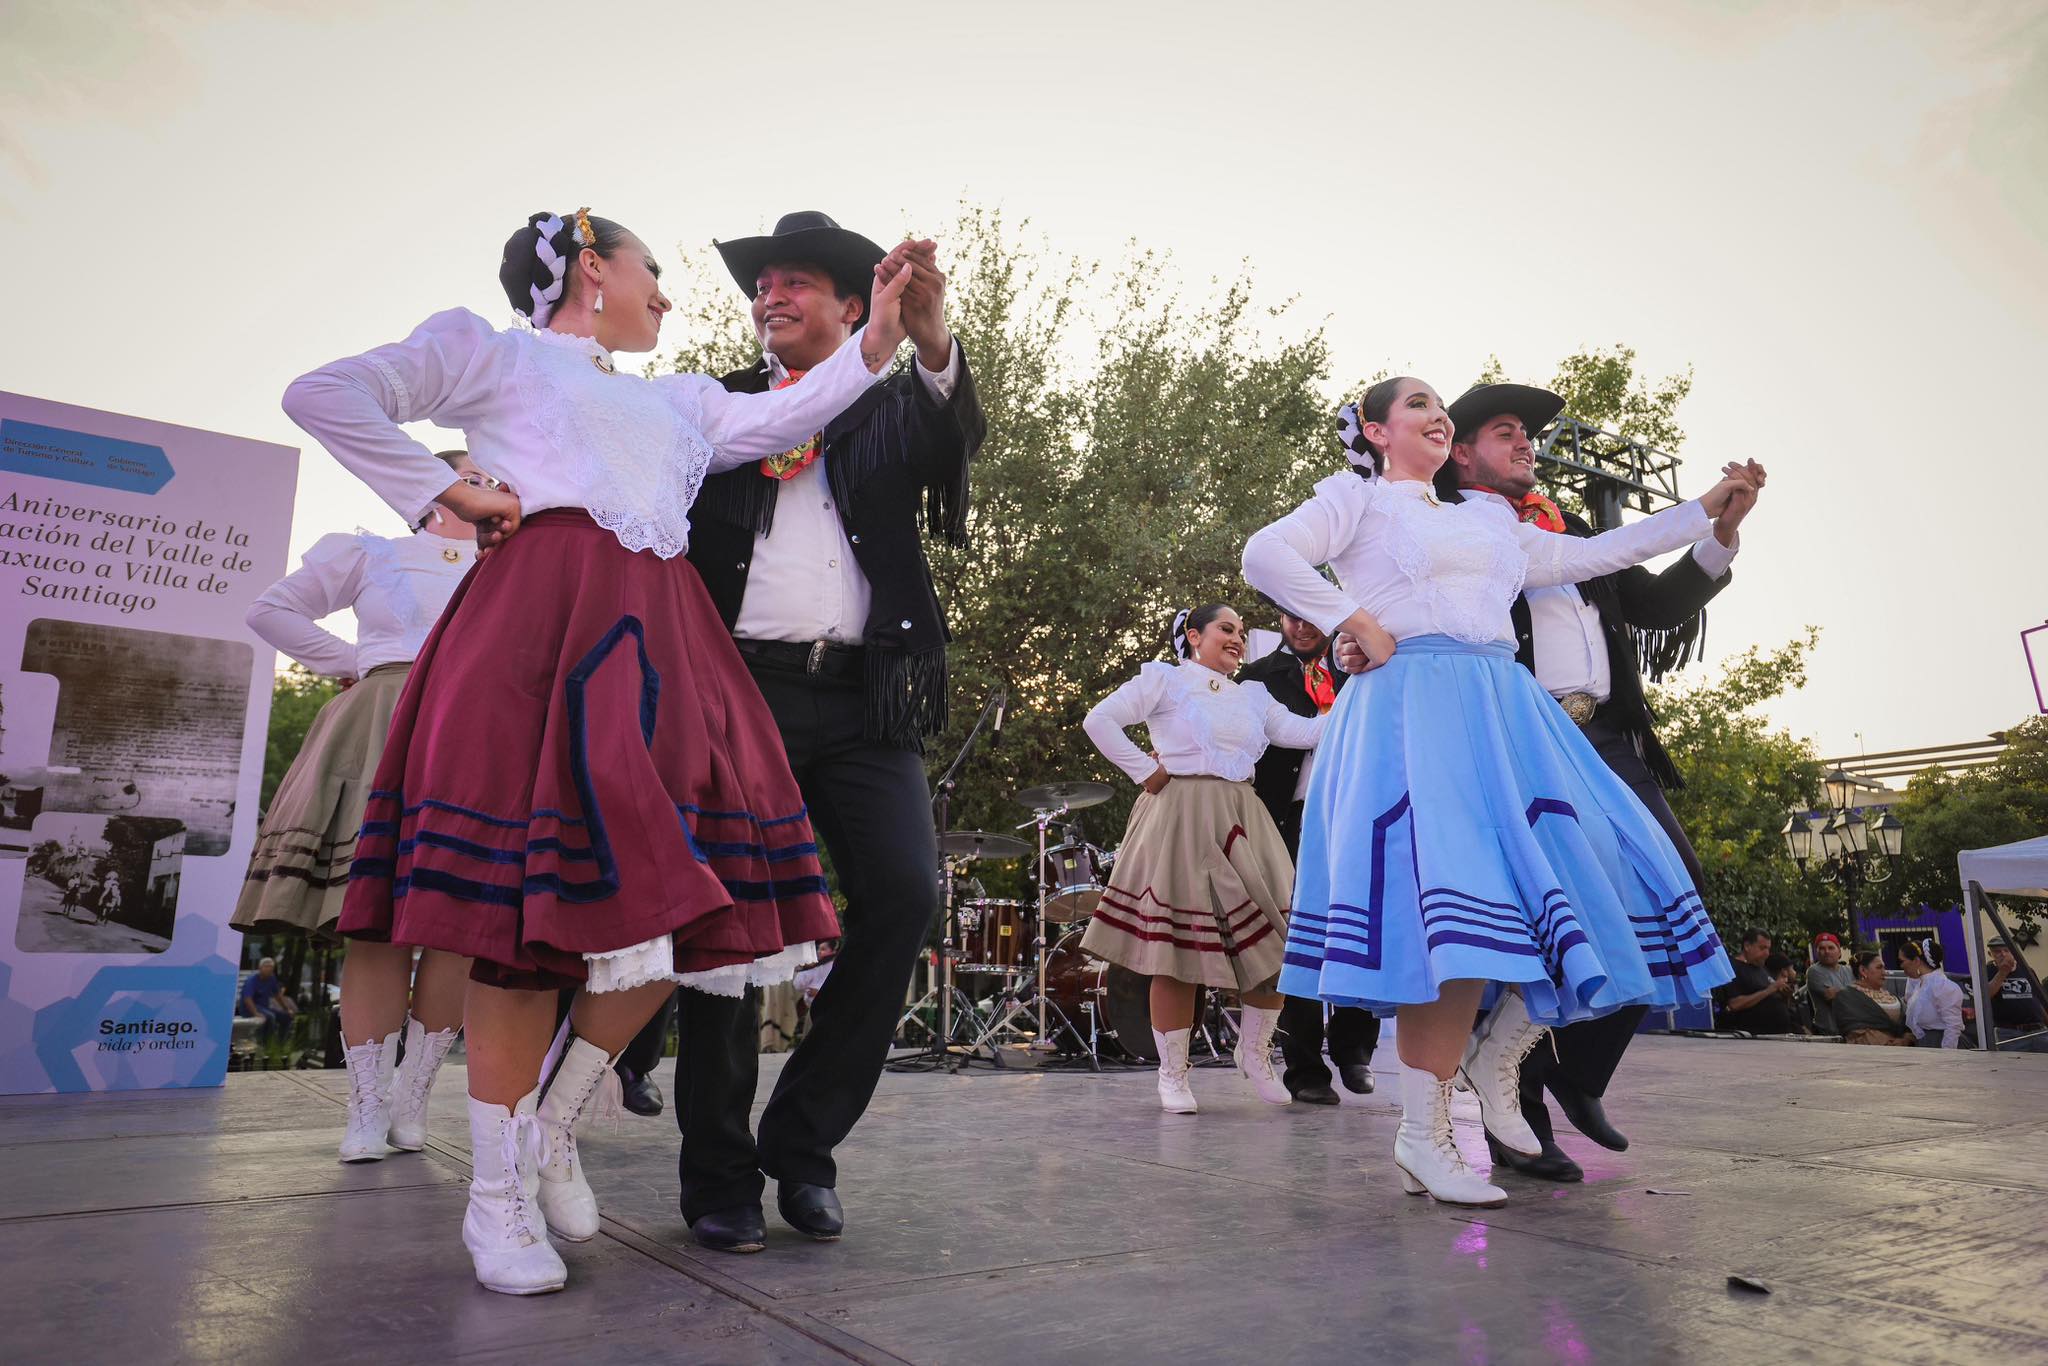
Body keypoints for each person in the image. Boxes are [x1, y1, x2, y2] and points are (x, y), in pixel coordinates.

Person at [285, 207, 913, 1295]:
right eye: (650, 270)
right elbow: (324, 393)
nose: (666, 295)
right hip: (541, 629)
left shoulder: (677, 402)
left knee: (686, 914)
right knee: (523, 926)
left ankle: (552, 1128)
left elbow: (795, 409)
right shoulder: (497, 354)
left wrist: (882, 335)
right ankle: (494, 1201)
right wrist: (447, 490)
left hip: (666, 646)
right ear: (589, 267)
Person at [1242, 376, 1755, 1207]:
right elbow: (1266, 553)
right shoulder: (1358, 501)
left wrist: (1705, 509)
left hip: (1503, 712)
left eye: (1440, 406)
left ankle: (1499, 1052)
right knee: (1451, 926)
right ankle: (1423, 1134)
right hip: (1414, 714)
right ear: (1374, 431)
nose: (1437, 416)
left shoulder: (1488, 519)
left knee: (1606, 873)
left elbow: (1595, 556)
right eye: (1417, 405)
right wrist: (1349, 619)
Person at [673, 212, 982, 1255]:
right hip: (735, 692)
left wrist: (930, 338)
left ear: (857, 307)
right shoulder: (710, 408)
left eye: (796, 282)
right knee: (724, 933)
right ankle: (716, 1173)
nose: (770, 296)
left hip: (865, 699)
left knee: (903, 896)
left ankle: (800, 1147)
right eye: (762, 285)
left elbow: (953, 437)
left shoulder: (888, 408)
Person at [1421, 381, 1744, 1181]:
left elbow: (1659, 603)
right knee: (1544, 925)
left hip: (1608, 739)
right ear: (1460, 452)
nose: (1528, 443)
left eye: (1528, 434)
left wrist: (1721, 534)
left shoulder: (1569, 532)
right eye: (1507, 432)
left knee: (1670, 900)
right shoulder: (1456, 533)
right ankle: (1514, 1107)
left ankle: (1575, 1073)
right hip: (1521, 743)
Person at [233, 461, 480, 1163]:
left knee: (457, 925)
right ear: (429, 488)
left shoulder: (518, 561)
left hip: (478, 729)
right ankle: (365, 1107)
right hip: (382, 720)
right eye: (467, 469)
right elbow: (270, 608)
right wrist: (355, 660)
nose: (486, 477)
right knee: (372, 924)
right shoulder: (372, 551)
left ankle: (413, 1098)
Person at [1081, 604, 1326, 1113]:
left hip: (1243, 815)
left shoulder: (1254, 696)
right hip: (1180, 812)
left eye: (1240, 632)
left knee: (1281, 942)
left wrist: (1361, 690)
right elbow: (1098, 719)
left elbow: (1308, 733)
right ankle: (1172, 1074)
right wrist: (1141, 772)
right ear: (1194, 636)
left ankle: (1254, 1053)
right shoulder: (1166, 681)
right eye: (1225, 629)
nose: (1236, 638)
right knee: (1176, 954)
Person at [1238, 604, 1380, 1104]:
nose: (1300, 626)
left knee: (1359, 925)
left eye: (1309, 615)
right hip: (1290, 821)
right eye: (1288, 616)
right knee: (1296, 937)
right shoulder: (1257, 678)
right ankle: (1304, 1068)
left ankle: (1356, 1049)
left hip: (1359, 811)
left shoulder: (1363, 662)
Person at [1715, 929, 1797, 1034]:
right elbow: (1734, 1004)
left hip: (1777, 1034)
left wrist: (1784, 994)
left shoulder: (1762, 969)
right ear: (1747, 946)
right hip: (1752, 1037)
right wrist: (1769, 990)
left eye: (1768, 949)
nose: (1767, 953)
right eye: (1762, 948)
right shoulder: (1733, 968)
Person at [1832, 951, 1913, 1045]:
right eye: (1879, 968)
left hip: (1905, 1051)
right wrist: (1891, 1043)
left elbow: (1907, 1023)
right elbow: (1855, 1031)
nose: (1884, 972)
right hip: (1873, 1053)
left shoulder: (1889, 995)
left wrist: (1907, 1039)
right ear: (1863, 970)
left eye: (1884, 967)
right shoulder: (1846, 997)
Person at [1900, 939, 1965, 1049]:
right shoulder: (1921, 984)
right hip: (1926, 1042)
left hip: (1941, 1043)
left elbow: (1953, 1026)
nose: (1901, 965)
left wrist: (1946, 1054)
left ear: (1916, 961)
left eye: (1902, 961)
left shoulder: (1942, 986)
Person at [1986, 939, 2048, 1053]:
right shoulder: (1988, 970)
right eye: (1997, 951)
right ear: (1990, 954)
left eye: (2006, 950)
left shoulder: (2027, 970)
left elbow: (2038, 999)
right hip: (2010, 1033)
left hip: (2039, 1030)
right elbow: (1986, 995)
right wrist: (2003, 972)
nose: (2003, 954)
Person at [1805, 933, 1855, 1038]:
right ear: (1817, 952)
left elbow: (1859, 993)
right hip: (1828, 1032)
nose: (1827, 951)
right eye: (1822, 948)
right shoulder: (1814, 971)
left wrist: (1843, 992)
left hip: (1850, 1030)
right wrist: (1854, 991)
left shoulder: (1849, 970)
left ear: (1839, 951)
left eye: (1831, 947)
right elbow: (1831, 997)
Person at [241, 957, 299, 1042]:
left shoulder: (271, 979)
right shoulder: (252, 980)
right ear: (260, 968)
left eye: (271, 967)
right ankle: (266, 1044)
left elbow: (278, 996)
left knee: (286, 1017)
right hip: (250, 1009)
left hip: (264, 1008)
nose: (269, 969)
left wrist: (287, 1009)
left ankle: (280, 1044)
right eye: (266, 966)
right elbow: (247, 999)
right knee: (270, 1017)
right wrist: (255, 1013)